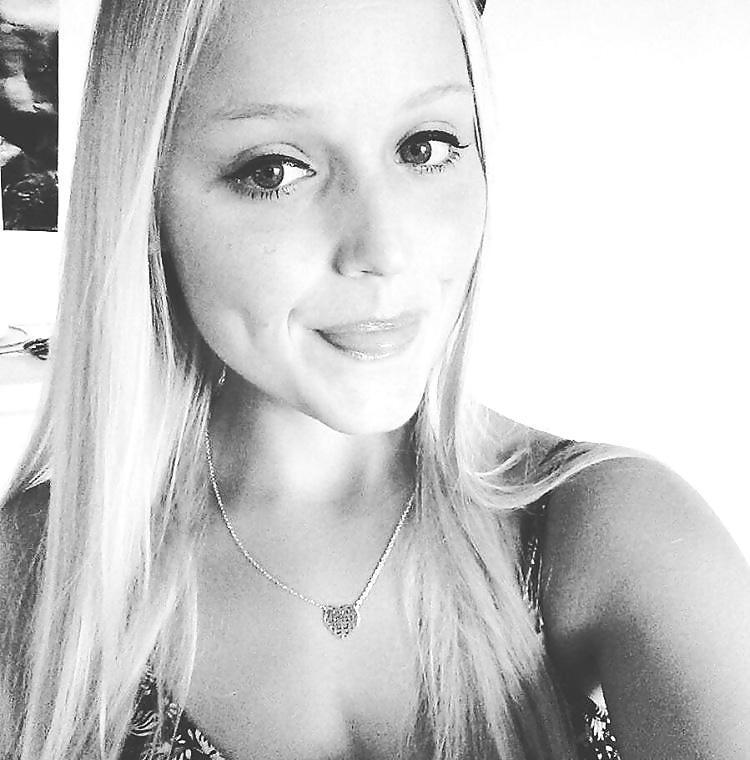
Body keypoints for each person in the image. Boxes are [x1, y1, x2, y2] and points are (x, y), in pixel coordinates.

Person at [1, 0, 749, 758]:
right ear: (146, 199)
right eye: (273, 170)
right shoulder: (30, 577)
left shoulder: (612, 525)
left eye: (426, 146)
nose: (385, 249)